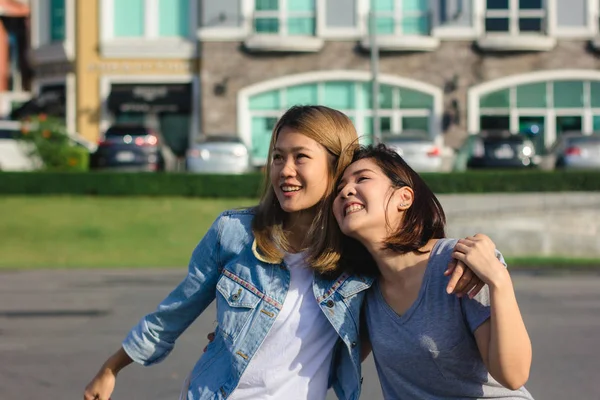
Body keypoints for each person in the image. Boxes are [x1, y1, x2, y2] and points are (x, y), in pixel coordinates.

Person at [83, 106, 482, 400]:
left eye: (300, 157)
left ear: (335, 166)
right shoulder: (235, 233)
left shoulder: (356, 258)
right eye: (278, 156)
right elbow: (175, 311)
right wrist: (111, 367)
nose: (285, 170)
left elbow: (411, 257)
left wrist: (481, 253)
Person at [333, 144, 534, 399]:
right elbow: (328, 368)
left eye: (362, 179)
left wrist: (498, 280)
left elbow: (513, 375)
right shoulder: (359, 290)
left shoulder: (462, 262)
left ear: (404, 197)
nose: (346, 191)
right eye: (339, 189)